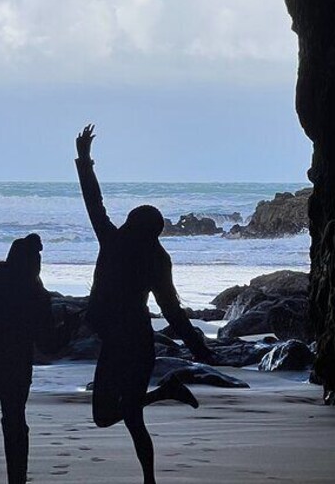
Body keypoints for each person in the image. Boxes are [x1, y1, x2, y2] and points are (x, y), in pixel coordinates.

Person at [74, 124, 216, 484]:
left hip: (126, 343)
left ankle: (150, 480)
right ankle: (166, 392)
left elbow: (94, 202)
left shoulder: (115, 241)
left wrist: (85, 160)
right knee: (116, 416)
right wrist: (197, 345)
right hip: (134, 342)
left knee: (119, 417)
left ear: (135, 225)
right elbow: (172, 311)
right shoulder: (155, 257)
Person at [0, 234, 74, 484]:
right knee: (15, 422)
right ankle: (16, 479)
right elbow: (48, 344)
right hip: (14, 365)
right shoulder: (34, 295)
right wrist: (70, 328)